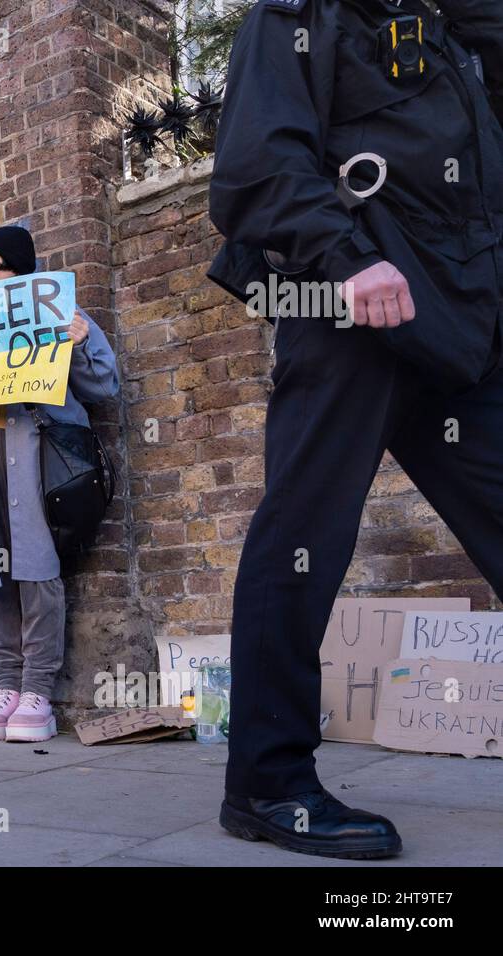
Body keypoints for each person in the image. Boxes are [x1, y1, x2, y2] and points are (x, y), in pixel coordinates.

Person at [207, 0, 503, 858]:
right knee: (303, 536)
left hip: (462, 322)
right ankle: (268, 784)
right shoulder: (303, 15)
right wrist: (343, 260)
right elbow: (256, 168)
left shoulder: (457, 29)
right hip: (354, 309)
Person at [0, 226, 119, 743]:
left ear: (20, 269)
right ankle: (4, 685)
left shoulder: (61, 314)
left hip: (39, 459)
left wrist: (82, 343)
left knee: (36, 567)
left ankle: (37, 692)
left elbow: (104, 387)